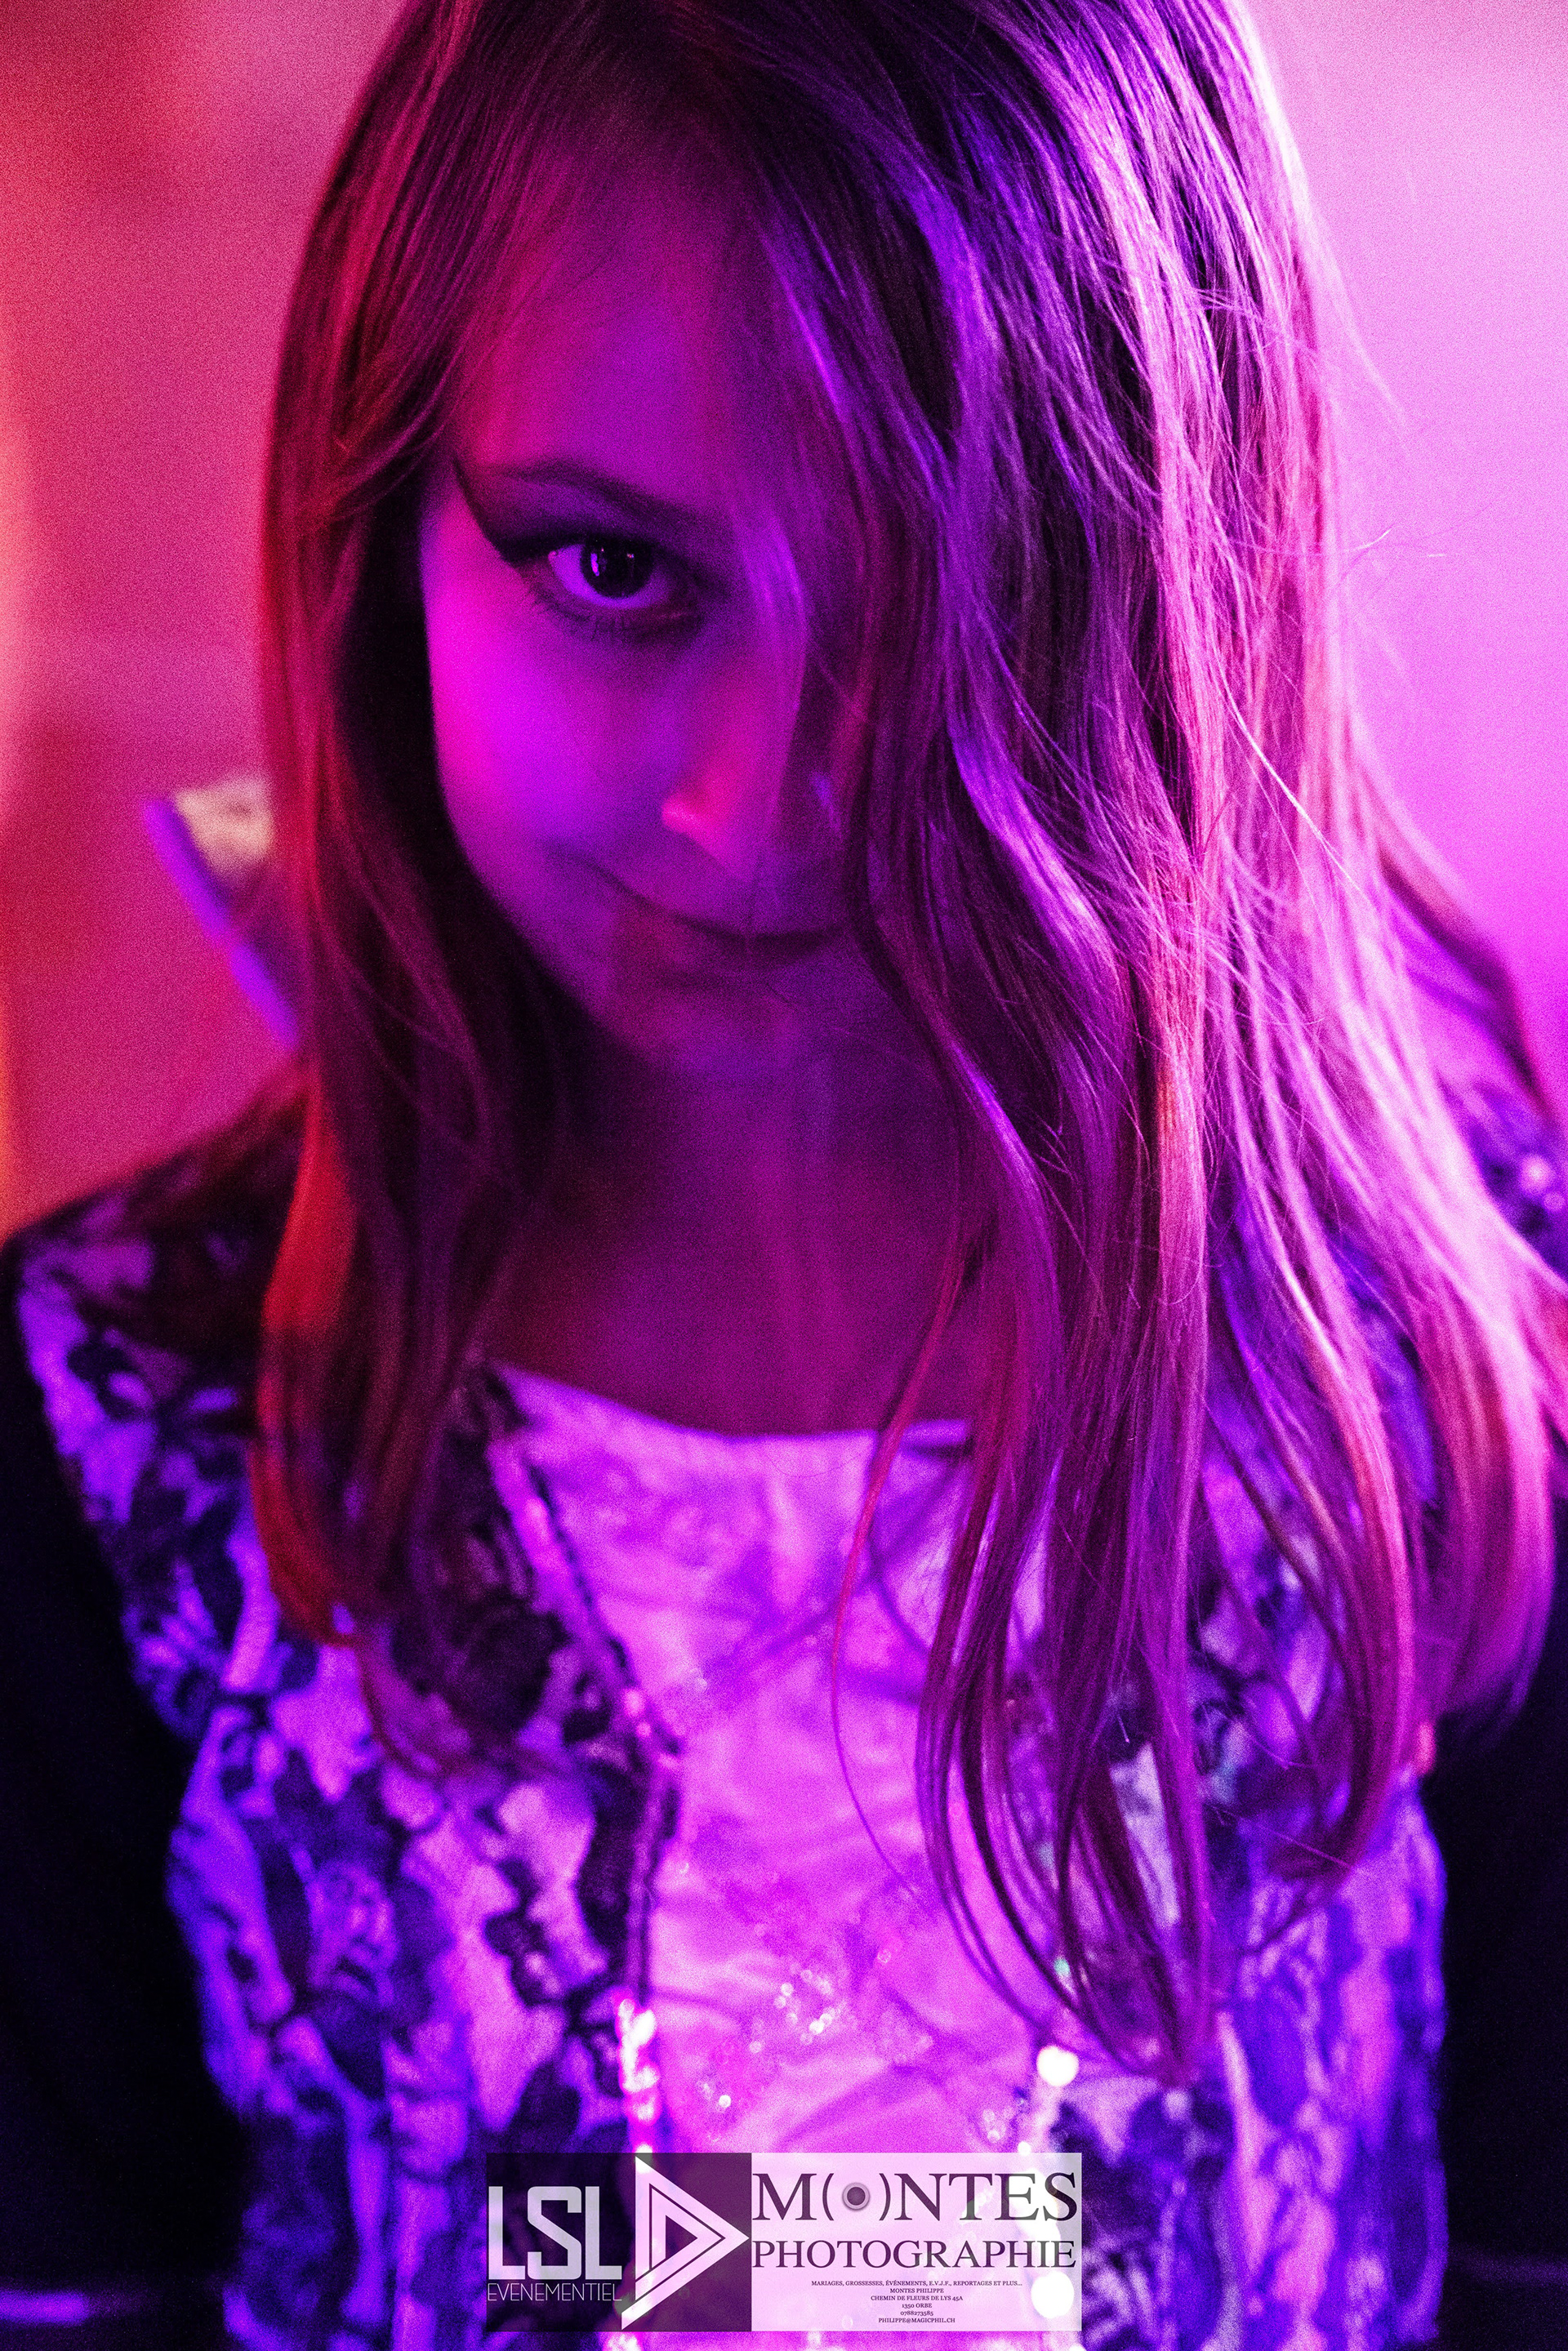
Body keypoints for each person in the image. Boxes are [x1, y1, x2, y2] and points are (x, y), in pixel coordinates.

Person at [2, 0, 1566, 2344]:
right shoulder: (101, 1446)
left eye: (950, 595)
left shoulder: (1460, 1393)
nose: (753, 806)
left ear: (1183, 584)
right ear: (377, 506)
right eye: (613, 571)